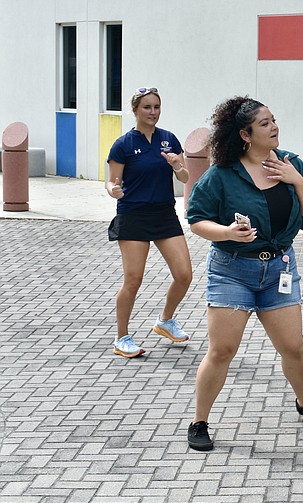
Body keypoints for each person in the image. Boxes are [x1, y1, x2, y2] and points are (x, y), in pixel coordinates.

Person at [185, 96, 303, 451]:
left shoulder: (291, 163)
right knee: (222, 350)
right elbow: (196, 220)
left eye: (274, 120)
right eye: (265, 123)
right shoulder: (223, 174)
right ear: (245, 134)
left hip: (279, 269)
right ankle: (200, 421)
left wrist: (294, 178)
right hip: (232, 270)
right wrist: (226, 232)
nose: (274, 127)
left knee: (293, 349)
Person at [106, 87, 193, 358]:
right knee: (133, 280)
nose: (152, 112)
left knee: (184, 274)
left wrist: (177, 165)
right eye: (147, 107)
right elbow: (112, 181)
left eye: (156, 107)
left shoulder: (168, 140)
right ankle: (122, 338)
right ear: (135, 111)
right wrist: (113, 191)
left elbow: (184, 177)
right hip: (133, 215)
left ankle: (165, 321)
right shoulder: (123, 144)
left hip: (164, 214)